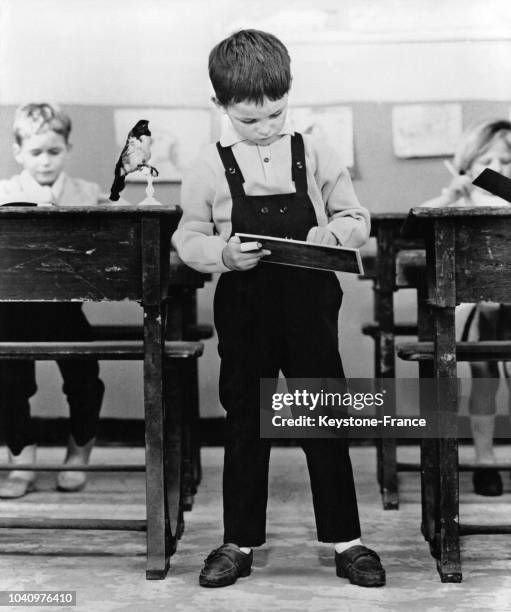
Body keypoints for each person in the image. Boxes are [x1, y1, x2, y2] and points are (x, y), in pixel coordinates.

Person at [172, 29, 385, 588]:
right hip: (244, 305)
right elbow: (188, 236)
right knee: (246, 420)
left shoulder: (313, 150)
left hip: (309, 302)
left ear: (288, 96)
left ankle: (348, 541)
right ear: (220, 105)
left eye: (276, 114)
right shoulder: (210, 164)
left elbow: (356, 217)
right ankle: (238, 542)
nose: (266, 127)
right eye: (250, 119)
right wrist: (222, 253)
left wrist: (334, 233)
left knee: (324, 415)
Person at [0, 103, 106, 498]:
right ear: (18, 152)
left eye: (54, 152)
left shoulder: (87, 194)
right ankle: (21, 461)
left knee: (84, 377)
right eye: (35, 153)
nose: (45, 161)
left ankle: (79, 454)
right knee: (9, 380)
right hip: (11, 310)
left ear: (68, 148)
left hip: (64, 308)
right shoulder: (4, 194)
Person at [421, 119, 511, 496]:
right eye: (487, 161)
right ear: (468, 167)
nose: (498, 169)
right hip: (476, 308)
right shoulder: (461, 199)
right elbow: (419, 220)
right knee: (484, 378)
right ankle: (485, 460)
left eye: (507, 161)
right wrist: (450, 196)